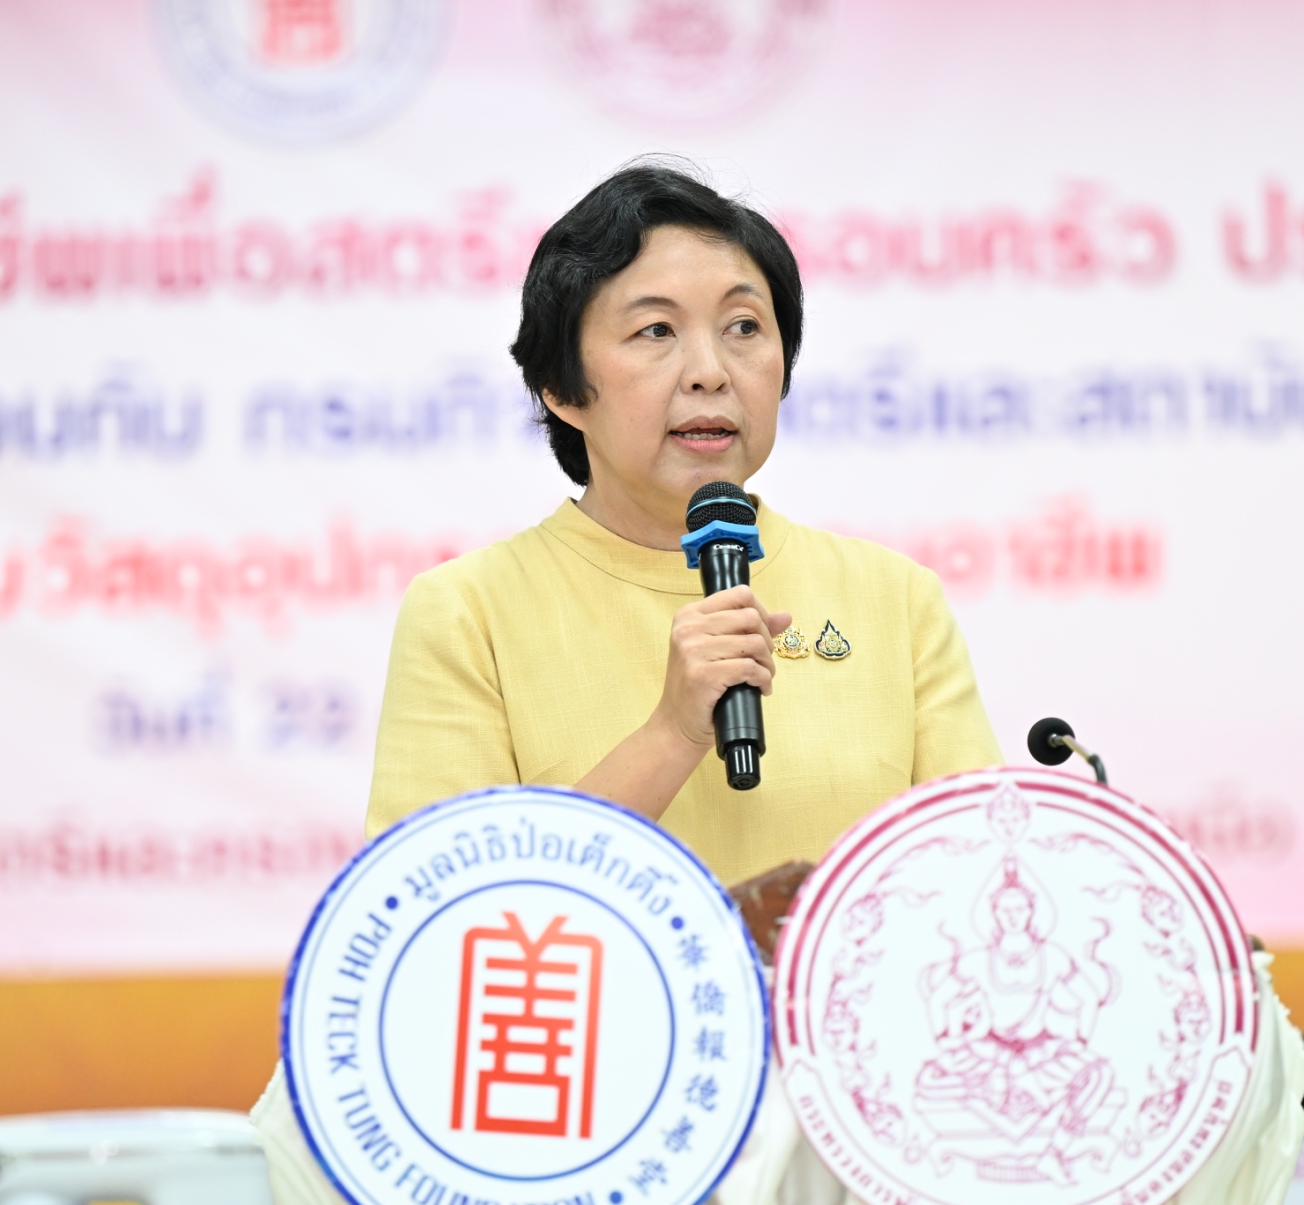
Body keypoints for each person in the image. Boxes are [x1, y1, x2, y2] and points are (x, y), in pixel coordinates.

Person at [366, 162, 1002, 886]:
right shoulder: (468, 613)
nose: (710, 371)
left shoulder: (895, 598)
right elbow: (435, 910)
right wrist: (670, 735)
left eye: (743, 327)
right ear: (562, 388)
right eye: (656, 330)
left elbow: (982, 879)